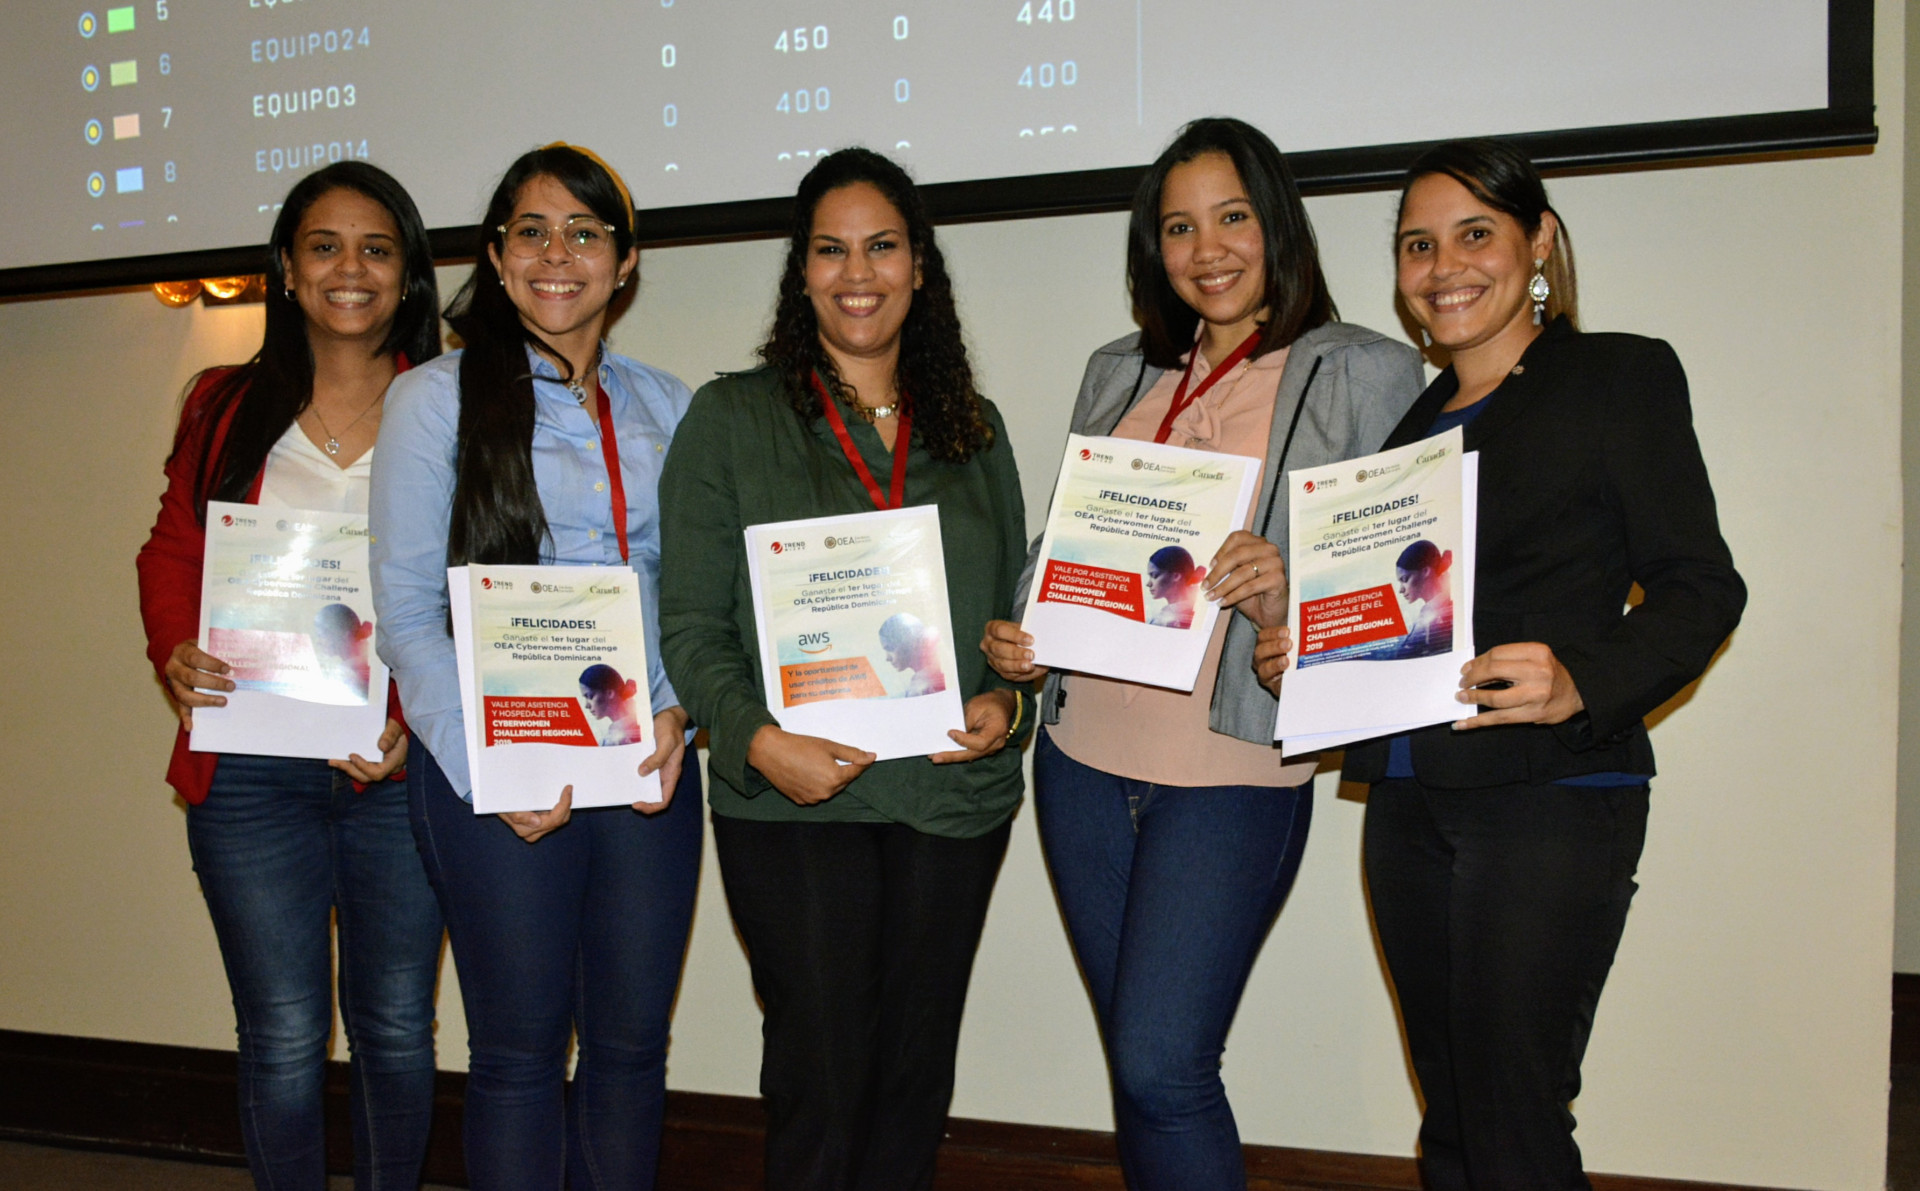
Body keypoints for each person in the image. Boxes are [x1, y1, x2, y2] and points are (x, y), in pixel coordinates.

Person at [1255, 139, 1746, 1189]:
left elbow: (1703, 587)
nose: (1444, 267)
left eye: (1474, 234)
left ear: (1539, 243)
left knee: (1514, 1119)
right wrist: (1309, 648)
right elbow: (1399, 610)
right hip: (1407, 799)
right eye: (1417, 245)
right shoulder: (1406, 430)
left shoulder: (1616, 376)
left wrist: (1582, 678)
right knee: (1451, 1120)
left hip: (1551, 795)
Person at [980, 117, 1425, 1191]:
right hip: (1082, 762)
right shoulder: (1121, 367)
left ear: (1277, 225)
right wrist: (1023, 629)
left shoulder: (1361, 368)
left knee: (1162, 1064)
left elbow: (1399, 577)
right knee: (1140, 1074)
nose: (1207, 249)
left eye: (1231, 217)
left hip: (1230, 767)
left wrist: (1290, 586)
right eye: (1179, 227)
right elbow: (1069, 541)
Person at [657, 147, 1030, 1191]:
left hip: (949, 798)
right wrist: (757, 740)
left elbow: (1011, 622)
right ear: (801, 270)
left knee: (913, 1076)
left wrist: (1007, 701)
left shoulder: (975, 428)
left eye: (881, 247)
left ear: (919, 266)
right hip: (794, 801)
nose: (857, 273)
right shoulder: (730, 420)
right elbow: (689, 624)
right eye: (830, 250)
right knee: (820, 1077)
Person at [369, 144, 701, 1191]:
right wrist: (488, 765)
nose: (558, 255)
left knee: (631, 1051)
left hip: (644, 761)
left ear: (624, 261)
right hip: (493, 762)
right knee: (517, 1057)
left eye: (585, 233)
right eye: (532, 232)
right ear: (497, 256)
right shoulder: (432, 400)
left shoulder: (669, 405)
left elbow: (695, 597)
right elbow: (406, 614)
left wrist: (680, 711)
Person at [134, 160, 444, 1191]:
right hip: (249, 773)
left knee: (395, 1025)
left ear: (408, 273)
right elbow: (172, 550)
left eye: (377, 248)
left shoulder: (449, 405)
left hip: (398, 772)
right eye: (324, 246)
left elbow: (475, 587)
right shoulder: (224, 402)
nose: (350, 268)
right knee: (280, 1031)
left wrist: (413, 719)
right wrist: (175, 647)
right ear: (287, 266)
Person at [1392, 539, 1454, 659]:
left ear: (1425, 571)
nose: (1401, 590)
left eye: (1405, 579)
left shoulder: (1438, 615)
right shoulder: (1432, 610)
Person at [878, 612, 948, 696]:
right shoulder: (927, 678)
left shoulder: (920, 688)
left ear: (909, 643)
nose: (887, 658)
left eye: (890, 648)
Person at [579, 663, 645, 746]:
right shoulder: (635, 724)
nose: (586, 706)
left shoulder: (616, 739)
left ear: (610, 693)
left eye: (590, 696)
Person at [1144, 545, 1205, 629]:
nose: (1148, 584)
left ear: (1176, 576)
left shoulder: (1172, 619)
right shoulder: (1192, 609)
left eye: (1155, 575)